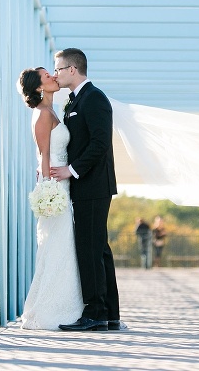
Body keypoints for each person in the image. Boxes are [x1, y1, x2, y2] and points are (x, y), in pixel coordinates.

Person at [50, 48, 126, 332]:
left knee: (90, 248)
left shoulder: (94, 98)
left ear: (72, 69)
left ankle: (95, 313)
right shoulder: (75, 100)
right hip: (87, 185)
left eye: (58, 69)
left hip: (93, 184)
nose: (55, 74)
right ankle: (109, 314)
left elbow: (100, 143)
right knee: (99, 248)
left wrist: (71, 170)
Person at [17, 67, 83, 330]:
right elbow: (43, 155)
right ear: (38, 88)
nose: (54, 77)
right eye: (48, 76)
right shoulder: (42, 115)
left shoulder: (54, 111)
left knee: (63, 245)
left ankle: (66, 303)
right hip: (55, 185)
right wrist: (49, 193)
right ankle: (52, 309)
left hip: (63, 181)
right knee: (58, 245)